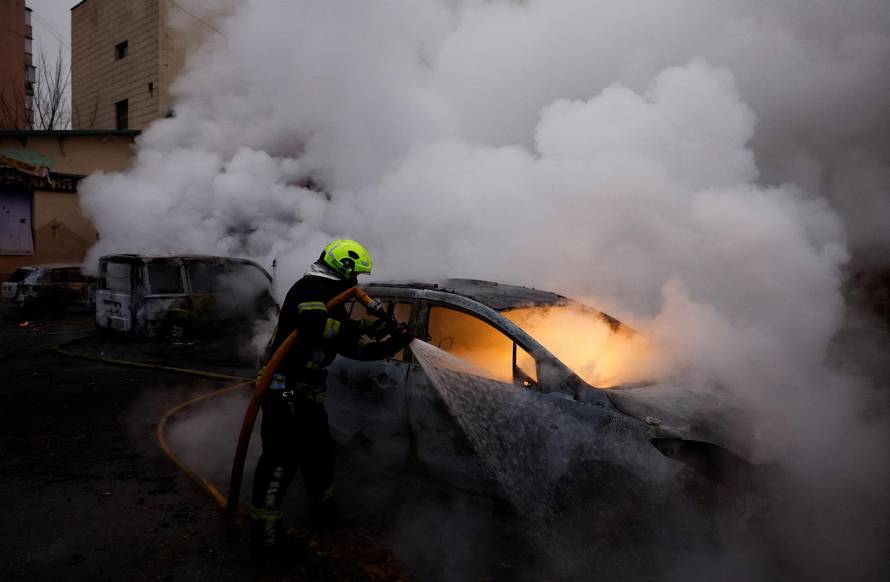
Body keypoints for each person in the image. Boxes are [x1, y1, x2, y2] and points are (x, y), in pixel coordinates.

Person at [249, 239, 412, 553]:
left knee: (320, 456)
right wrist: (365, 329)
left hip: (307, 397)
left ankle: (322, 514)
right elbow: (317, 328)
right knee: (280, 464)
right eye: (356, 276)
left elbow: (352, 345)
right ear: (345, 268)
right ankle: (265, 537)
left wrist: (388, 341)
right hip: (282, 394)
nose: (357, 284)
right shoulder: (308, 289)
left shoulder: (331, 299)